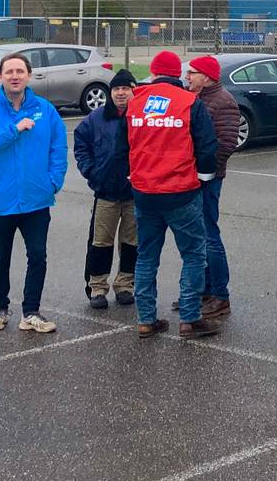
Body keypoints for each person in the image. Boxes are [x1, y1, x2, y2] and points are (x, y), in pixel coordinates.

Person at [120, 50, 220, 339]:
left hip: (144, 192)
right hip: (181, 191)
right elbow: (206, 146)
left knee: (146, 257)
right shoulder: (190, 102)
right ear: (178, 74)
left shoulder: (135, 102)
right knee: (193, 254)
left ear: (152, 71)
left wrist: (133, 174)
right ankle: (190, 317)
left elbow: (122, 145)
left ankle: (146, 319)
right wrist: (204, 178)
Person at [0, 51, 68, 334]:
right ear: (0, 76)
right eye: (9, 71)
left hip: (37, 200)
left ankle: (31, 312)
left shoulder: (45, 110)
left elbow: (58, 148)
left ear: (28, 76)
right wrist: (14, 129)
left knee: (38, 256)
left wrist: (53, 181)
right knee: (0, 257)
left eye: (19, 71)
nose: (14, 76)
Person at [75, 69, 138, 310]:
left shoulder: (140, 116)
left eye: (125, 88)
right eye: (116, 89)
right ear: (111, 92)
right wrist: (91, 171)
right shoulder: (96, 118)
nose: (121, 93)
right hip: (106, 191)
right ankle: (97, 286)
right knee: (101, 242)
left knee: (132, 242)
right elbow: (81, 144)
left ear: (133, 90)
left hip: (134, 192)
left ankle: (125, 285)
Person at [184, 55, 239, 321]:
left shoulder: (223, 102)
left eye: (192, 73)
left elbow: (226, 144)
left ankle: (220, 294)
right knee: (198, 236)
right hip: (191, 177)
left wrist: (205, 172)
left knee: (209, 235)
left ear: (206, 76)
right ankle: (203, 290)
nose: (187, 77)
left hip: (208, 178)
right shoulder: (195, 99)